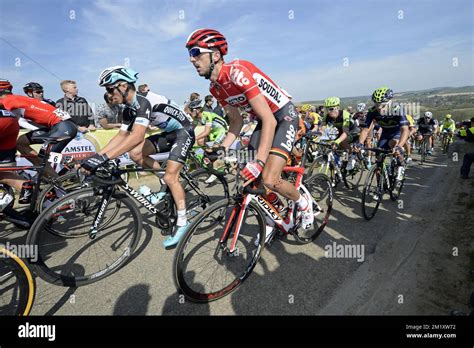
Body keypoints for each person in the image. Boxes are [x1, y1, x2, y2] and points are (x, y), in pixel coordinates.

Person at [185, 28, 314, 231]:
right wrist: (221, 148)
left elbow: (270, 120)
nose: (192, 59)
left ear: (216, 55)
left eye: (196, 52)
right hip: (265, 120)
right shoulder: (215, 88)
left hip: (283, 116)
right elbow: (236, 122)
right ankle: (276, 211)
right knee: (250, 180)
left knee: (270, 178)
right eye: (190, 54)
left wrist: (259, 161)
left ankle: (303, 202)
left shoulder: (237, 73)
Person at [82, 66, 195, 248]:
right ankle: (166, 186)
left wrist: (104, 158)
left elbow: (136, 136)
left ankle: (183, 222)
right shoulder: (128, 109)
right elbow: (121, 136)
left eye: (110, 89)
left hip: (184, 131)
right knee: (135, 154)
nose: (109, 94)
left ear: (124, 86)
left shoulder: (143, 102)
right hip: (169, 132)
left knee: (170, 175)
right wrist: (97, 156)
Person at [0, 79, 77, 180]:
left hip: (62, 126)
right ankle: (61, 163)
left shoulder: (7, 100)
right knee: (21, 142)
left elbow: (8, 121)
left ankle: (58, 189)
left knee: (43, 161)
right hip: (62, 126)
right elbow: (17, 122)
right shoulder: (17, 99)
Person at [354, 87, 409, 185]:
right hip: (385, 134)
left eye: (382, 105)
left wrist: (400, 146)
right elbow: (366, 129)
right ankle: (380, 186)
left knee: (394, 144)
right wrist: (360, 143)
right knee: (378, 162)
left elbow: (405, 129)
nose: (379, 108)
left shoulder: (397, 109)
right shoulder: (372, 111)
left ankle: (401, 166)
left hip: (397, 133)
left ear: (389, 102)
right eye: (376, 104)